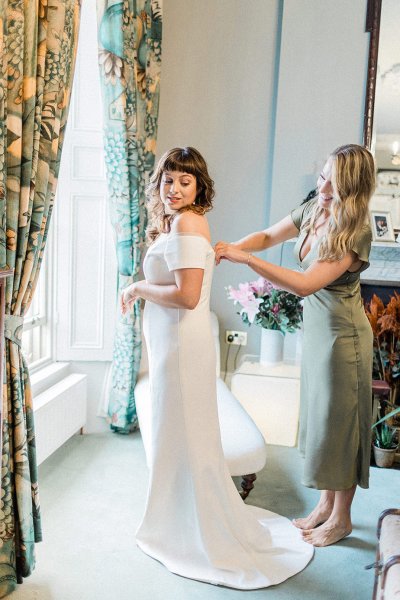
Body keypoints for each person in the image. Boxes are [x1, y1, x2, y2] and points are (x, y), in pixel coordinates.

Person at [121, 147, 313, 589]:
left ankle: (194, 529)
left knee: (186, 432)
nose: (174, 189)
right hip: (174, 345)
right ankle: (175, 520)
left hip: (182, 347)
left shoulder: (189, 222)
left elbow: (187, 296)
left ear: (199, 187)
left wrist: (137, 287)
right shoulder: (176, 221)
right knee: (178, 434)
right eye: (168, 180)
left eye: (185, 182)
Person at [214, 143, 375, 548]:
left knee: (341, 426)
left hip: (345, 338)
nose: (323, 188)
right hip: (320, 334)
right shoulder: (315, 209)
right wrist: (229, 247)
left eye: (334, 183)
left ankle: (342, 518)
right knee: (324, 422)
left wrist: (246, 261)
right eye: (322, 176)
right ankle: (324, 506)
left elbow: (304, 285)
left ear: (353, 188)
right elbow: (269, 235)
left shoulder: (356, 232)